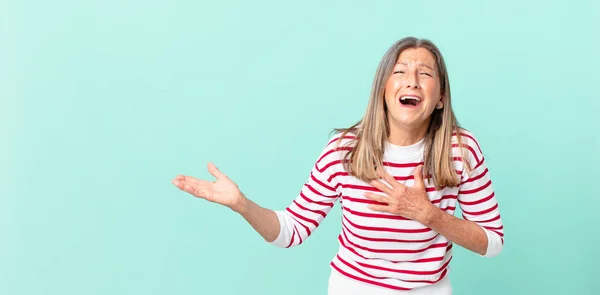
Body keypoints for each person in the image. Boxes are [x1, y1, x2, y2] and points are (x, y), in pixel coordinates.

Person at [172, 36, 504, 295]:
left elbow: (492, 242)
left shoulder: (461, 151)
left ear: (441, 97)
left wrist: (427, 213)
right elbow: (291, 230)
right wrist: (242, 205)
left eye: (425, 73)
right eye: (399, 72)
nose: (412, 81)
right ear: (383, 90)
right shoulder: (344, 150)